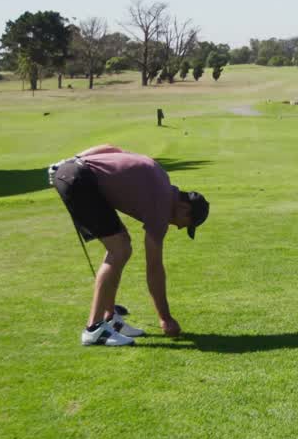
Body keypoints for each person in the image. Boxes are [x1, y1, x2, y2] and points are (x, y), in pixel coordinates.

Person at [49, 144, 209, 347]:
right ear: (184, 208)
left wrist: (69, 161)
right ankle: (94, 329)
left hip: (72, 172)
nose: (178, 227)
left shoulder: (161, 179)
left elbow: (110, 148)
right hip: (79, 180)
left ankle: (110, 319)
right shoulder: (162, 206)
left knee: (122, 245)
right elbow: (154, 268)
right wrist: (165, 318)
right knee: (120, 249)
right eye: (186, 224)